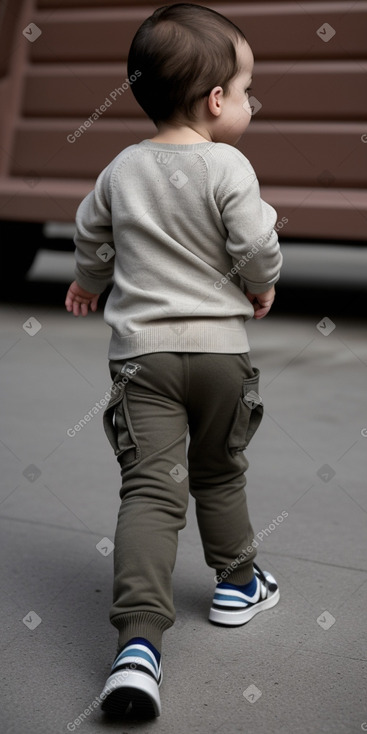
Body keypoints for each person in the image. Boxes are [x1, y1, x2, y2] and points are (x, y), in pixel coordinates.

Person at [65, 2, 283, 719]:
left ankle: (137, 650)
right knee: (220, 469)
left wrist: (89, 283)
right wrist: (260, 281)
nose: (249, 104)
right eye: (247, 90)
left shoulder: (122, 167)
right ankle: (236, 583)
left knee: (152, 492)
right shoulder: (228, 163)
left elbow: (91, 234)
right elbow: (253, 243)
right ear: (216, 100)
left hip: (142, 361)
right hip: (219, 355)